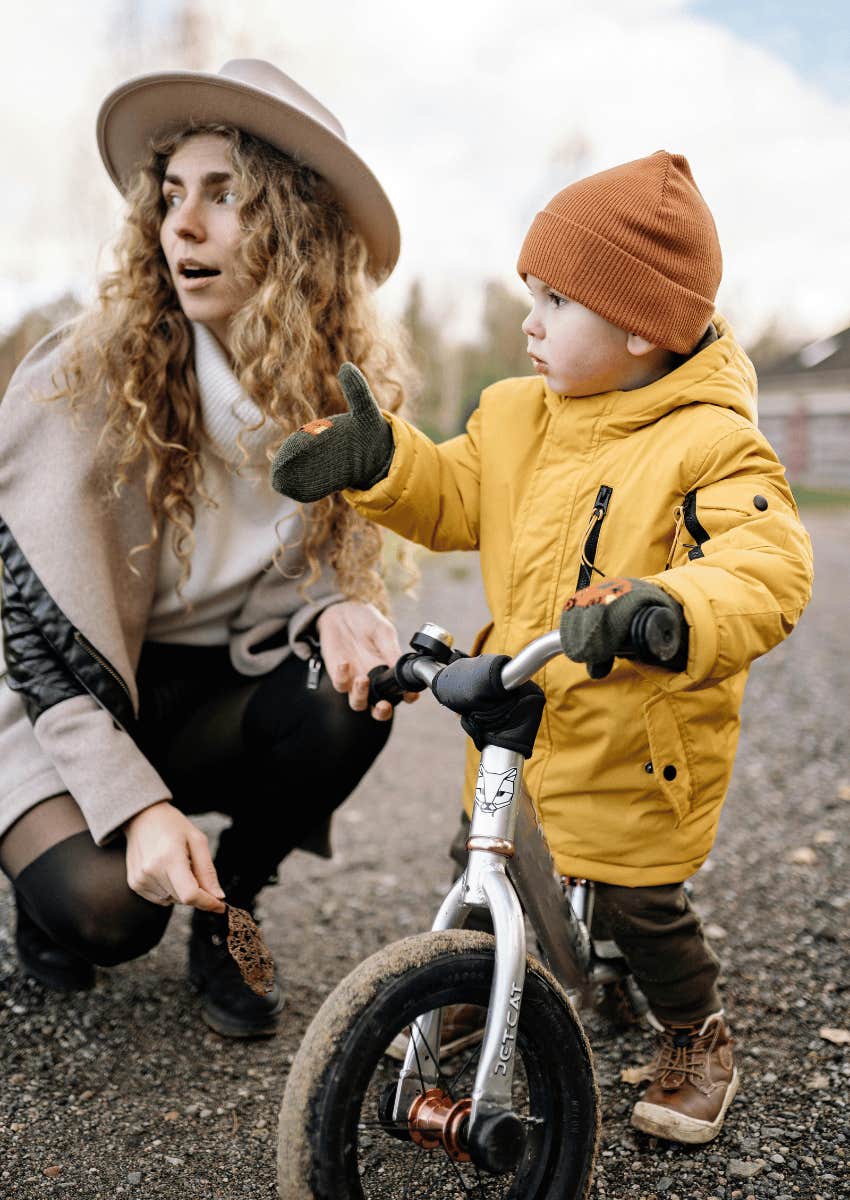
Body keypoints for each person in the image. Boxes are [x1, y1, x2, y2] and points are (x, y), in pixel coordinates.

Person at [270, 151, 814, 1141]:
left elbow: (765, 563)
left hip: (632, 739)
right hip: (519, 717)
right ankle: (478, 985)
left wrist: (668, 605)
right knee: (480, 866)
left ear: (643, 328)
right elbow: (457, 496)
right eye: (531, 292)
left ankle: (695, 1029)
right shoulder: (513, 416)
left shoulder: (710, 444)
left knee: (642, 905)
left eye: (556, 299)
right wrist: (385, 460)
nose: (529, 318)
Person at [0, 59, 416, 1039]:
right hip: (66, 702)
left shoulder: (326, 384)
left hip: (208, 691)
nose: (180, 225)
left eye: (223, 197)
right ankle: (41, 877)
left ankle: (231, 904)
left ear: (293, 226)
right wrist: (135, 807)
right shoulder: (80, 378)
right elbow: (34, 644)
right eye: (171, 196)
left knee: (356, 696)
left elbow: (313, 572)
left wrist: (342, 604)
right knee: (106, 914)